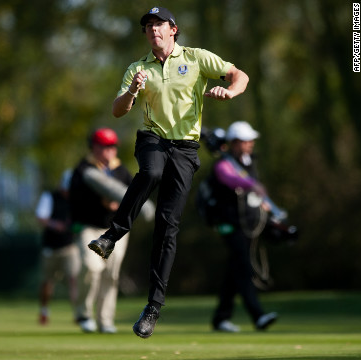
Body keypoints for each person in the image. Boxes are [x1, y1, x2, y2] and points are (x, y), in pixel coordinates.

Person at [86, 6, 250, 339]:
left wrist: (229, 91)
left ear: (173, 29)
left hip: (186, 149)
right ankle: (111, 236)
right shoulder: (137, 68)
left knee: (167, 226)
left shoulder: (197, 57)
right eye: (148, 27)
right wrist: (132, 90)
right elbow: (117, 111)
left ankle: (152, 309)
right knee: (150, 172)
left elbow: (240, 75)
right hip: (153, 139)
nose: (153, 30)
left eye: (159, 25)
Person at [205, 121, 278, 332]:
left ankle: (220, 318)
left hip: (247, 223)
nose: (250, 144)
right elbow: (230, 179)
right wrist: (252, 186)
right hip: (229, 224)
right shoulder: (223, 164)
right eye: (246, 141)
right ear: (234, 143)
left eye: (251, 140)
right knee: (244, 267)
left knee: (234, 270)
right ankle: (258, 316)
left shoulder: (248, 162)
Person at [70, 128, 133, 334]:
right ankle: (84, 314)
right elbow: (74, 199)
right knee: (91, 268)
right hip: (90, 227)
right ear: (94, 147)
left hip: (115, 229)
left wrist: (120, 206)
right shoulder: (83, 169)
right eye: (105, 147)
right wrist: (102, 201)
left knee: (111, 273)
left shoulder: (121, 170)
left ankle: (105, 320)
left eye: (112, 146)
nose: (109, 151)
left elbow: (132, 195)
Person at [34, 169, 80, 325]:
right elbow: (41, 217)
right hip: (50, 247)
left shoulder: (76, 200)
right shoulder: (50, 197)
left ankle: (79, 313)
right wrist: (55, 225)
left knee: (74, 279)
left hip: (69, 246)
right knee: (47, 282)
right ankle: (44, 311)